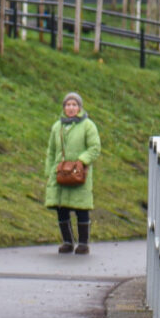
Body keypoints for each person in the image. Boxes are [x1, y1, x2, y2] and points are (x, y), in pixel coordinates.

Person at [43, 91, 101, 255]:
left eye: (74, 105)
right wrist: (50, 170)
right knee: (61, 208)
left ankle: (83, 243)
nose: (71, 108)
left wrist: (81, 161)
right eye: (68, 105)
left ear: (80, 107)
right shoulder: (57, 126)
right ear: (64, 107)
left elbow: (95, 148)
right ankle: (67, 242)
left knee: (81, 208)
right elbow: (51, 150)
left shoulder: (88, 125)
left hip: (79, 175)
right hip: (60, 174)